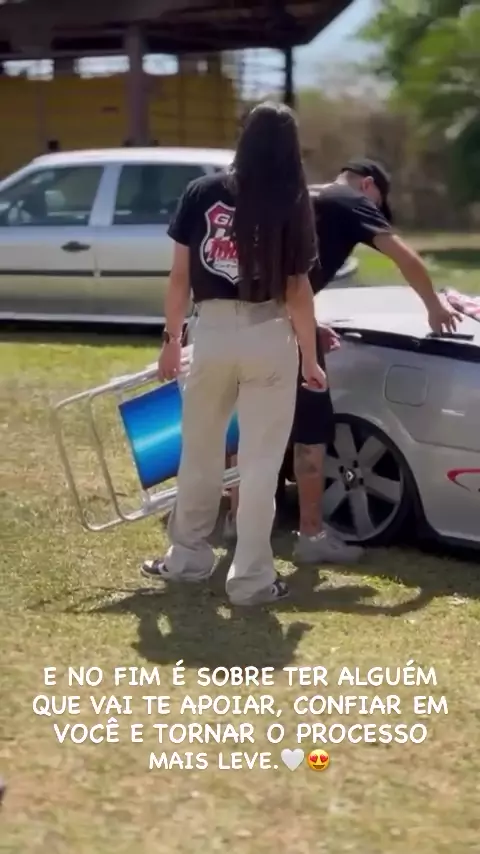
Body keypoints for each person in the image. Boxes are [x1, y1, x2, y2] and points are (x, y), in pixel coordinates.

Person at [225, 157, 462, 564]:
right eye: (378, 203)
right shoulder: (351, 200)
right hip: (284, 330)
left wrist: (309, 321)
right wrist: (435, 306)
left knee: (247, 425)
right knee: (311, 432)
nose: (375, 212)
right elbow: (404, 256)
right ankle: (311, 535)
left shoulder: (302, 195)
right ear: (368, 185)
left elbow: (276, 275)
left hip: (242, 323)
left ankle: (236, 521)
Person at [141, 102, 327, 606]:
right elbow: (298, 291)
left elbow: (179, 278)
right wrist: (310, 358)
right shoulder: (293, 201)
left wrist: (171, 341)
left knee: (200, 451)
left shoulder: (201, 193)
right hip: (269, 334)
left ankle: (187, 559)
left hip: (212, 332)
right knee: (261, 465)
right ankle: (251, 580)